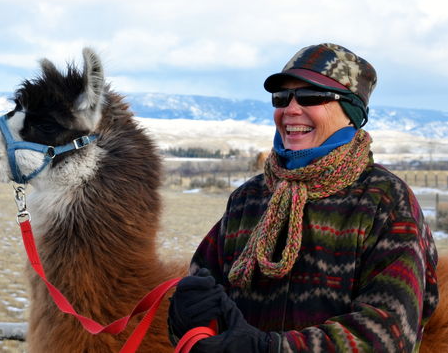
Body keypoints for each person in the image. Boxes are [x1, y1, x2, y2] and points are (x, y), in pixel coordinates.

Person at [168, 43, 439, 352]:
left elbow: (388, 333)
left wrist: (270, 349)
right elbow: (202, 291)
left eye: (312, 97)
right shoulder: (248, 199)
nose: (291, 110)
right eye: (282, 98)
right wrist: (186, 317)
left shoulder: (384, 201)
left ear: (352, 112)